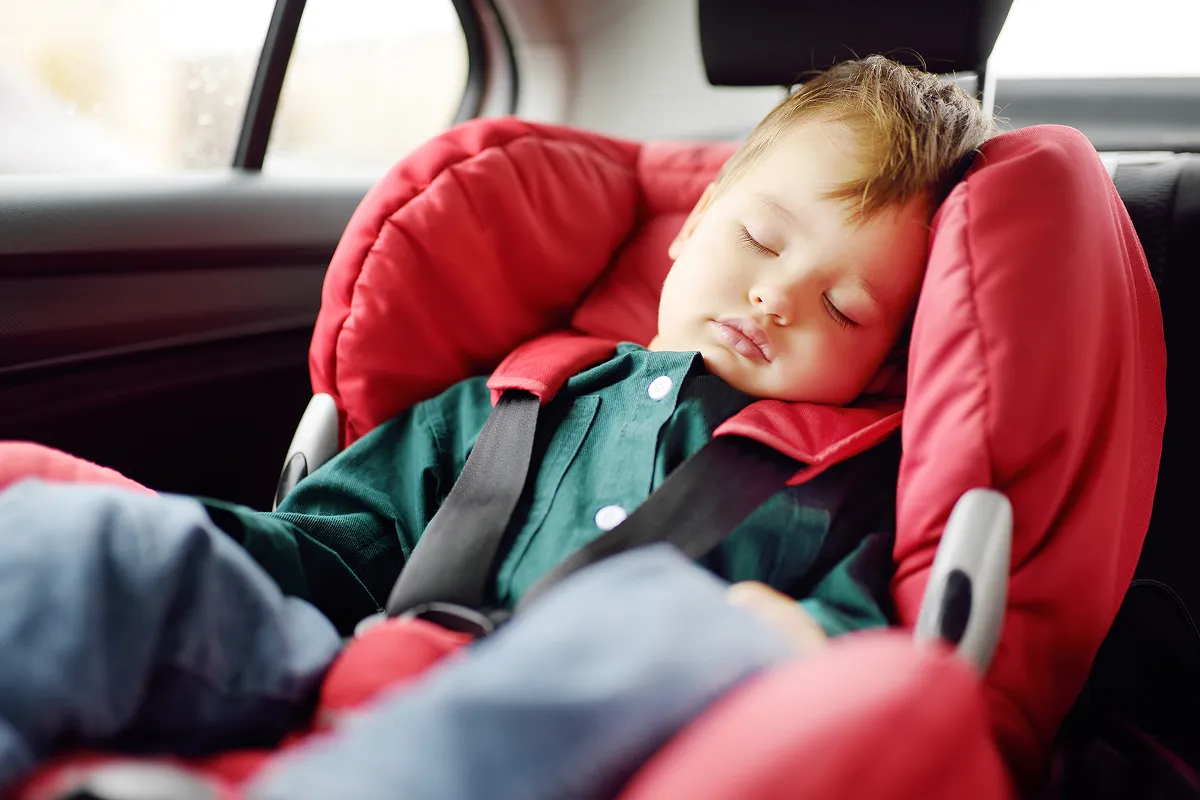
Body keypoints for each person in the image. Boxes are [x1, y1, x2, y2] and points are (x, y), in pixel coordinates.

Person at [0, 56, 996, 797]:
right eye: (760, 238)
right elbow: (334, 542)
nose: (779, 294)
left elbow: (859, 649)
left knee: (671, 619)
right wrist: (217, 549)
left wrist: (797, 631)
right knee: (112, 542)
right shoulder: (514, 394)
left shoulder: (840, 483)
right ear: (692, 228)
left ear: (885, 362)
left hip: (554, 725)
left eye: (847, 309)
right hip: (347, 650)